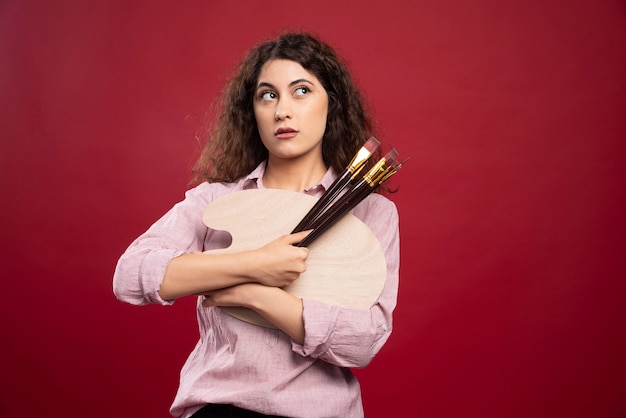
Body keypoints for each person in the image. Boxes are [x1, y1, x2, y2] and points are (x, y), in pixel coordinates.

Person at [113, 31, 400, 418]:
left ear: (331, 105)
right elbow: (130, 276)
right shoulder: (216, 199)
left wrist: (254, 295)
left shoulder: (370, 212)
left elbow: (363, 341)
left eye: (301, 91)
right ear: (253, 111)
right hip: (219, 408)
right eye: (268, 95)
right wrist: (255, 264)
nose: (283, 110)